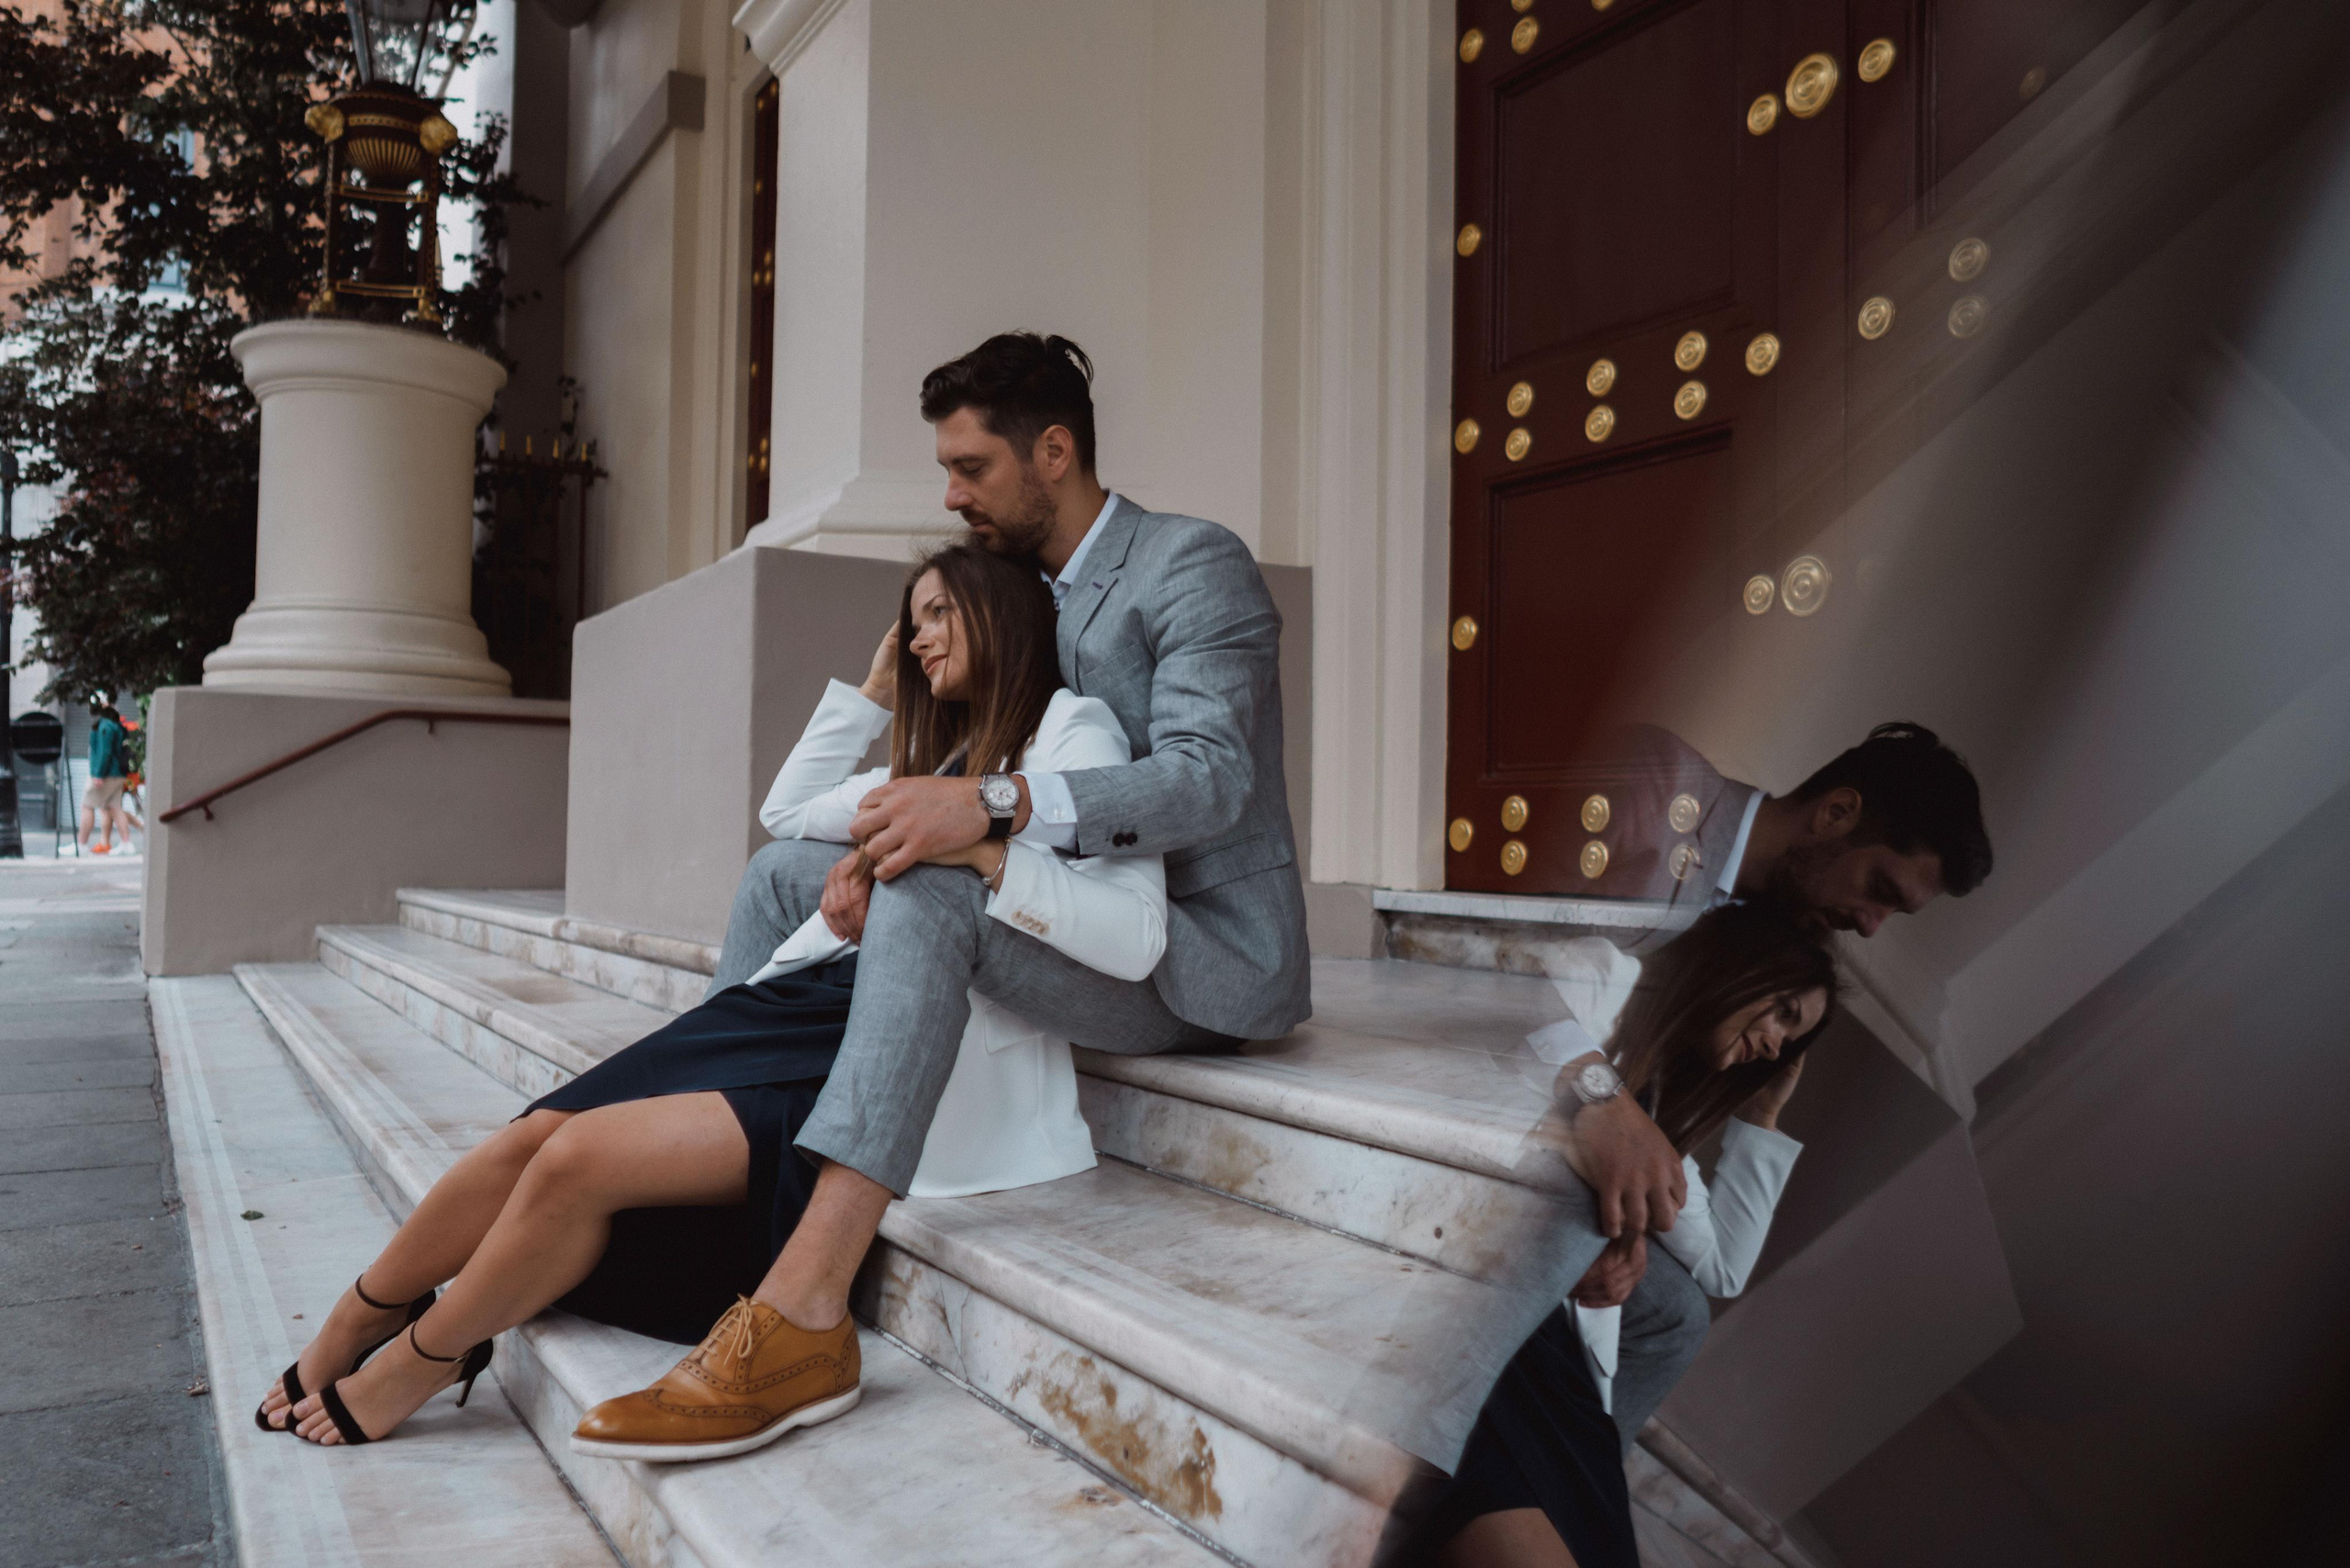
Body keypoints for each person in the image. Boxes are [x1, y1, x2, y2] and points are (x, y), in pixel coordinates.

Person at [566, 331, 1312, 1461]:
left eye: (971, 468)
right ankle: (717, 1168)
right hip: (1062, 911)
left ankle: (807, 1310)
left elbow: (1211, 780)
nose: (951, 493)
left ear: (1052, 451)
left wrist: (992, 806)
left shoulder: (1188, 564)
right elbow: (821, 804)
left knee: (926, 890)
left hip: (1188, 957)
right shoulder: (1020, 595)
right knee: (783, 874)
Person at [256, 542, 1166, 1449]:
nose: (920, 636)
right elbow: (786, 813)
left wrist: (976, 847)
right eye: (911, 616)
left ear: (1002, 615)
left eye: (939, 613)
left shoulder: (1070, 728)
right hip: (793, 1005)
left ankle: (428, 1353)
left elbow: (1129, 930)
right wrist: (874, 691)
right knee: (531, 1137)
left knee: (573, 1160)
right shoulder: (939, 752)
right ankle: (355, 1319)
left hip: (874, 1042)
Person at [1416, 902, 1839, 1568]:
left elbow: (1724, 1265)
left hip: (1551, 1354)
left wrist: (1765, 1110)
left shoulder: (1663, 1112)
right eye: (1783, 1011)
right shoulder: (1601, 978)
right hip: (1465, 1307)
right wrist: (1566, 1241)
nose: (1777, 1044)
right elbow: (1503, 1001)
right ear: (1737, 967)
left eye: (1793, 1039)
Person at [78, 700, 134, 855]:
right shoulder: (116, 725)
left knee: (87, 805)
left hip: (107, 773)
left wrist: (98, 774)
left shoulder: (105, 725)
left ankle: (81, 845)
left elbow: (105, 752)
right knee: (115, 808)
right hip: (118, 773)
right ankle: (126, 843)